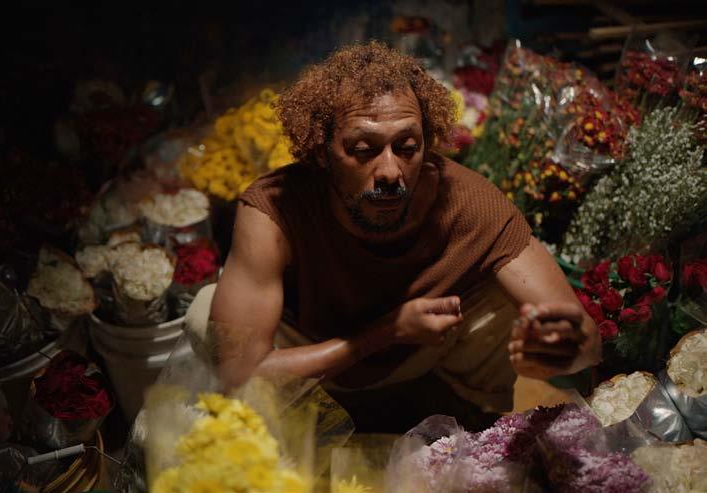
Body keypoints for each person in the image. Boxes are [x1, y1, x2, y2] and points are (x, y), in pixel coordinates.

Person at [186, 41, 600, 433]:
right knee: (207, 315)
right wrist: (385, 332)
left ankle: (471, 430)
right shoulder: (274, 210)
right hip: (312, 354)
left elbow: (588, 342)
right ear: (321, 153)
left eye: (406, 147)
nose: (389, 172)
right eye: (363, 150)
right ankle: (299, 432)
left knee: (503, 299)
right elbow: (238, 372)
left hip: (421, 354)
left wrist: (559, 347)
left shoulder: (471, 203)